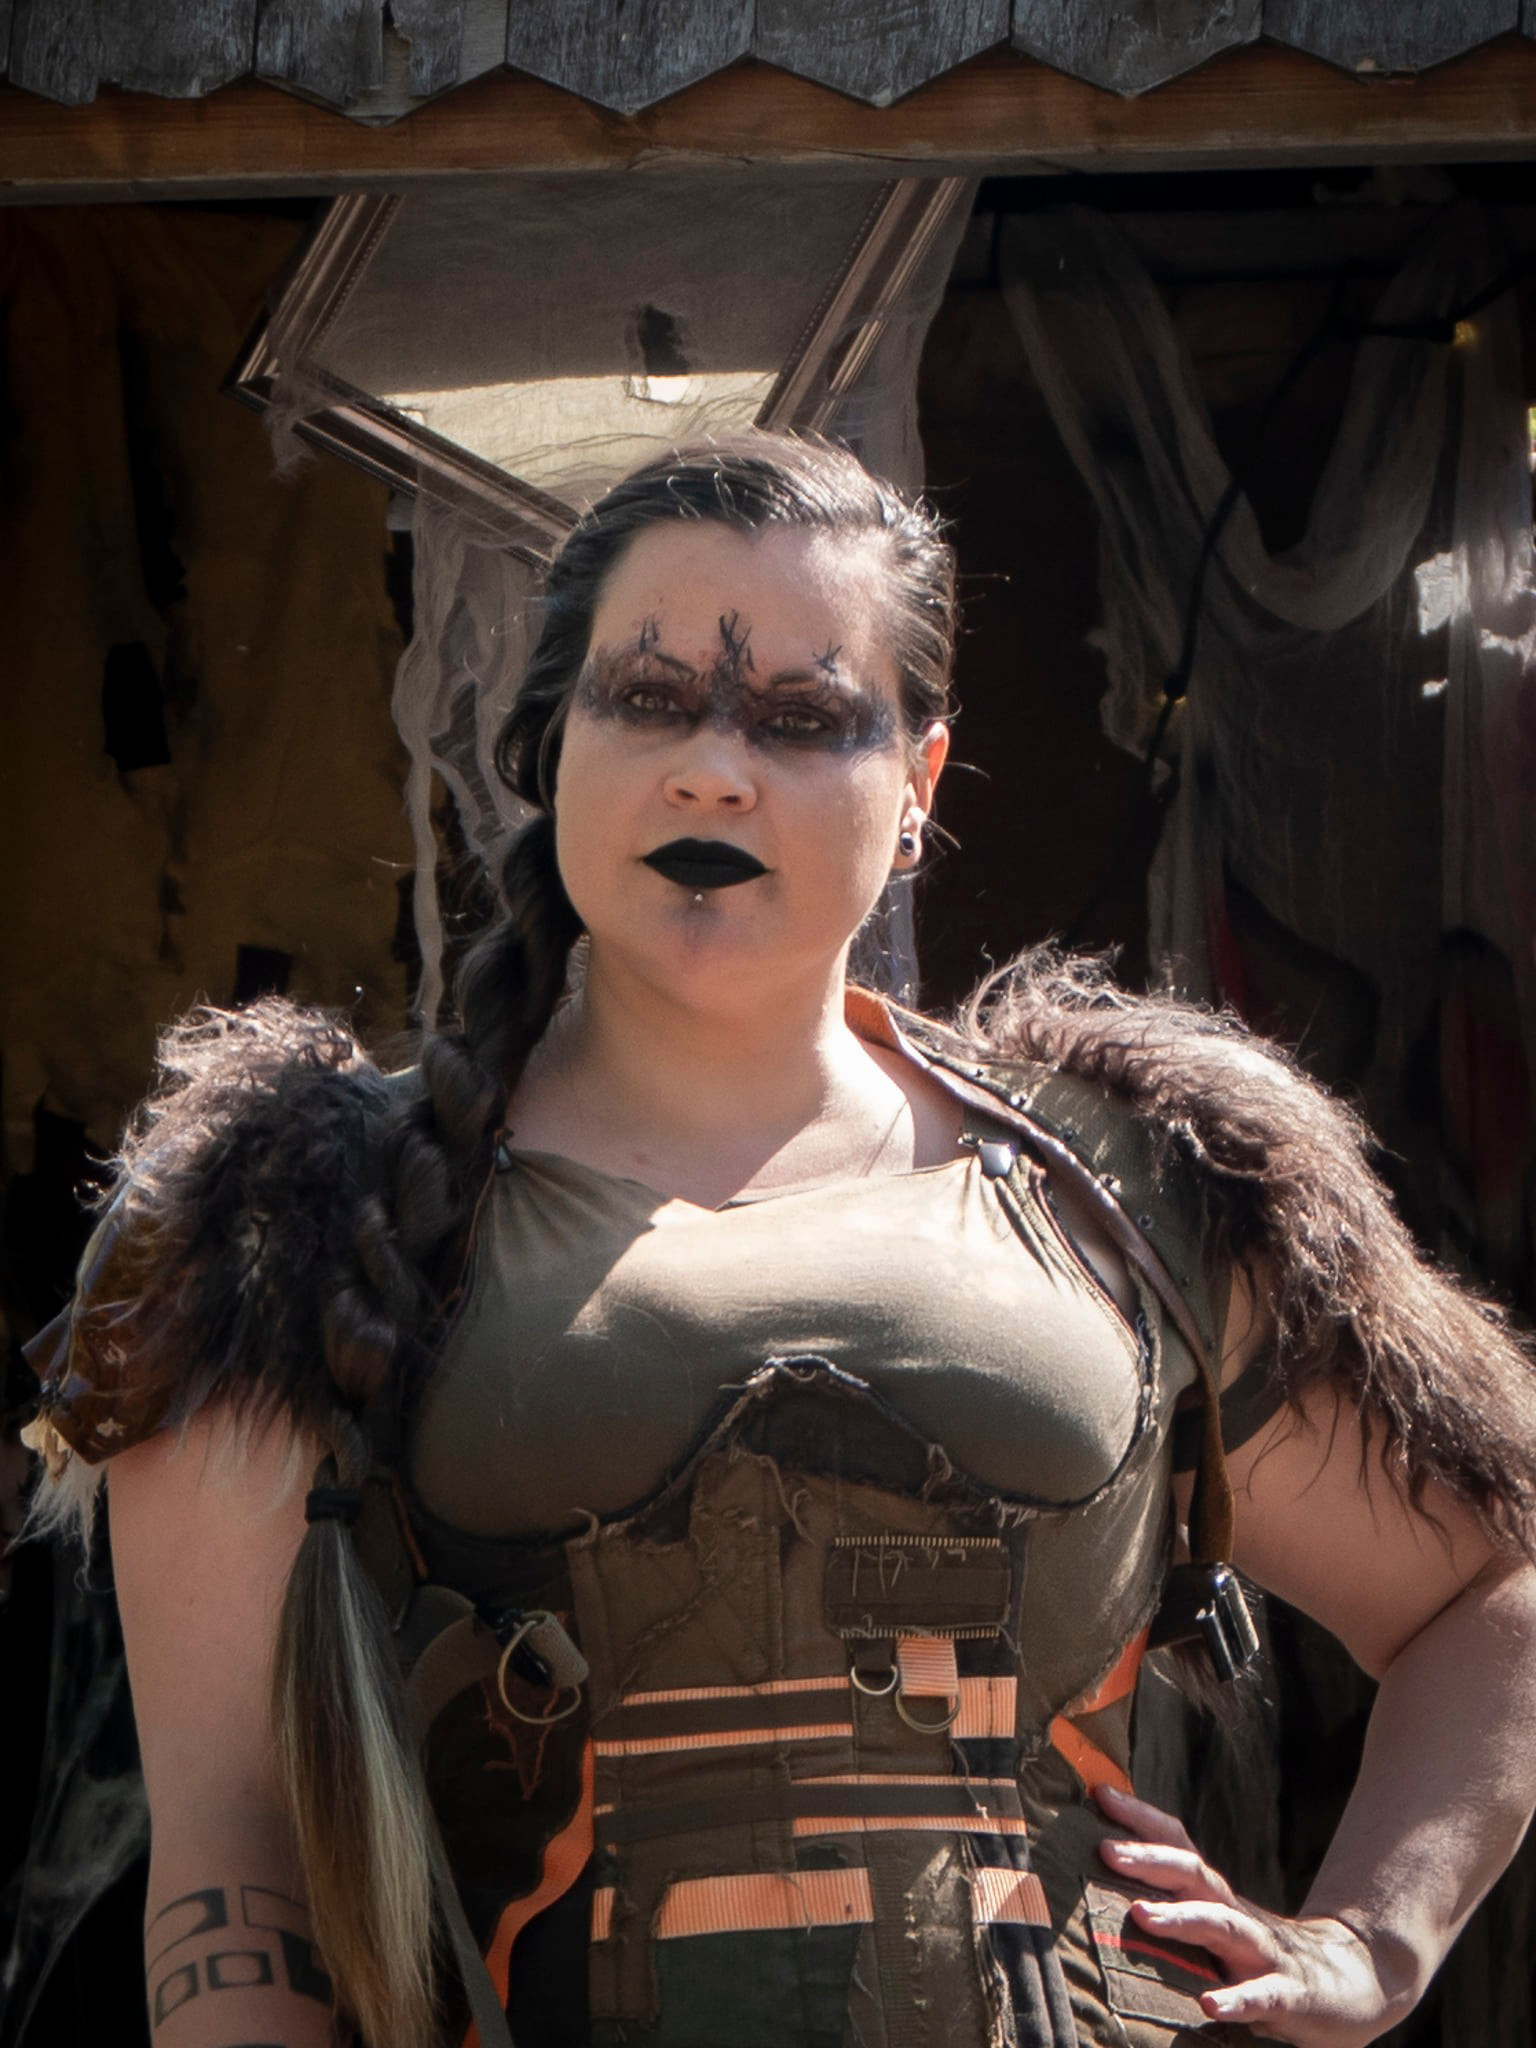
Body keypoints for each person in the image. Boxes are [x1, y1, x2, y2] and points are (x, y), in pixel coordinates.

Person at [23, 434, 1536, 2048]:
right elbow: (236, 1868)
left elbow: (1492, 1586)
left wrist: (1373, 1939)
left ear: (920, 786)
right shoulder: (290, 1216)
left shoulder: (1130, 1183)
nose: (713, 770)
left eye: (803, 719)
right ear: (548, 748)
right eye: (649, 698)